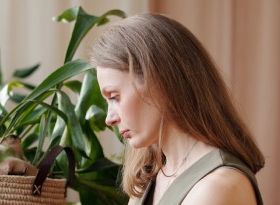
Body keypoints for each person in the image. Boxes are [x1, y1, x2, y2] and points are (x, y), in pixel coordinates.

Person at [90, 13, 265, 205]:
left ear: (161, 83)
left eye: (115, 97)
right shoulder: (150, 175)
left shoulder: (216, 187)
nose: (109, 118)